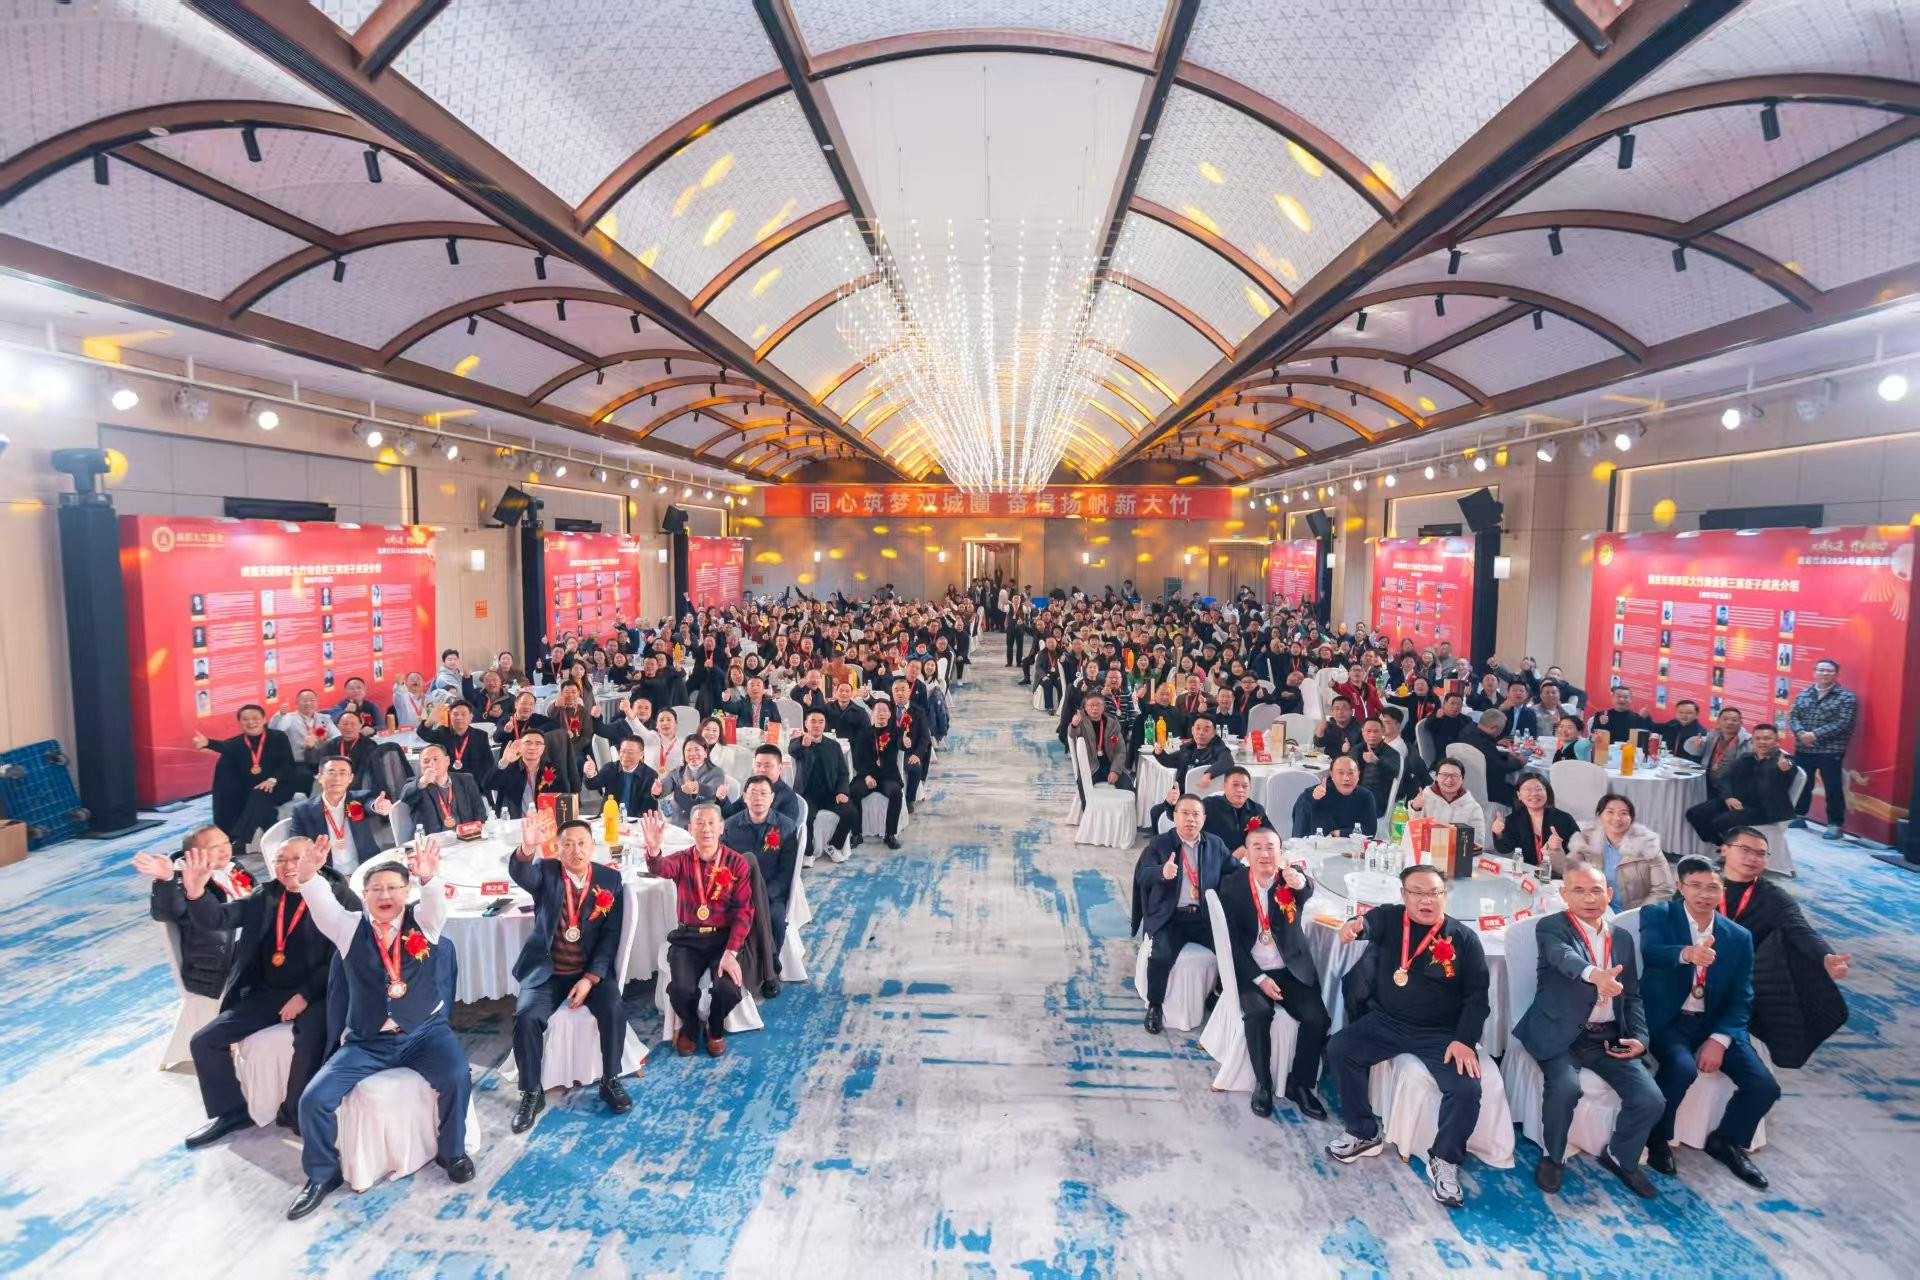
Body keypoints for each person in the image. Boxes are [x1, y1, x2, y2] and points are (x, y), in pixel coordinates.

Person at [285, 837, 473, 1220]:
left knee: (457, 1075)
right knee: (313, 1100)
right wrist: (308, 877)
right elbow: (321, 905)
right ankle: (322, 1175)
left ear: (406, 891)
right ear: (364, 895)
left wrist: (429, 879)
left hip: (424, 1034)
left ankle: (452, 1152)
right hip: (367, 1041)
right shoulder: (347, 927)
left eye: (393, 888)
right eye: (376, 889)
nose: (385, 895)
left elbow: (435, 904)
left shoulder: (424, 923)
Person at [151, 835, 358, 1147]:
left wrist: (304, 995)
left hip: (321, 992)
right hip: (269, 991)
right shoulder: (266, 895)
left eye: (296, 858)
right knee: (205, 1041)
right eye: (280, 860)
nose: (288, 866)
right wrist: (196, 894)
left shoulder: (339, 896)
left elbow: (344, 955)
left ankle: (296, 1112)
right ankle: (232, 1112)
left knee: (310, 1037)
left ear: (316, 860)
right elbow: (218, 919)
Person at [1325, 865, 1489, 1208]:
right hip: (1387, 1021)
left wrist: (1464, 1040)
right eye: (1417, 892)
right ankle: (1363, 1132)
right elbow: (1366, 922)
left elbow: (1477, 998)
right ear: (1404, 895)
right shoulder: (1390, 918)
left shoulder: (1464, 939)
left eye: (1434, 893)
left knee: (1467, 1089)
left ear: (1445, 895)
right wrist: (1354, 925)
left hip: (1440, 1033)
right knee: (1340, 1048)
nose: (1426, 900)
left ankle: (1445, 1159)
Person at [1515, 864, 1665, 1198]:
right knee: (1566, 1089)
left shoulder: (1622, 938)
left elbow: (1633, 996)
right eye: (1579, 891)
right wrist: (1596, 975)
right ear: (1564, 895)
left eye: (1596, 890)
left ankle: (1621, 1156)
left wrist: (1640, 1039)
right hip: (1560, 1034)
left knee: (1651, 1099)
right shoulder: (1551, 927)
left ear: (1608, 894)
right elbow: (1563, 957)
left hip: (1606, 1036)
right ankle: (1553, 1157)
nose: (1589, 898)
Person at [1639, 855, 1779, 1189]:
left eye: (1712, 887)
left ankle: (1727, 1140)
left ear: (1722, 890)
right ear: (1680, 887)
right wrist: (1687, 953)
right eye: (1695, 886)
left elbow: (1742, 996)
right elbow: (1651, 952)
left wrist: (1719, 1039)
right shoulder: (1658, 915)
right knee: (1681, 1068)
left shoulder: (1738, 936)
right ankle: (1657, 1137)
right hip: (1669, 1020)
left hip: (1713, 1022)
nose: (1704, 894)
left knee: (1764, 1086)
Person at [506, 814, 631, 1134]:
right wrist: (527, 848)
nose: (576, 850)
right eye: (568, 844)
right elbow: (521, 872)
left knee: (613, 1007)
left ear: (593, 846)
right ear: (557, 849)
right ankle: (531, 1092)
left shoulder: (610, 879)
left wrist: (590, 979)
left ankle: (610, 1080)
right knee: (526, 1017)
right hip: (548, 972)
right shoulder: (546, 872)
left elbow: (610, 937)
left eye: (582, 843)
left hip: (587, 971)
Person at [1218, 828, 1329, 1120]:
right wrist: (1259, 979)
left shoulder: (1288, 880)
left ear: (1281, 853)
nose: (1264, 853)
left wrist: (1300, 881)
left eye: (1271, 847)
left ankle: (1300, 1085)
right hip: (1252, 971)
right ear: (1247, 853)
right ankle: (1263, 1084)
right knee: (1259, 1014)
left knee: (1318, 1018)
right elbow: (1232, 945)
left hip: (1289, 969)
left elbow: (1305, 889)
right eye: (1257, 847)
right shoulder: (1231, 886)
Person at [1717, 829, 1850, 1068]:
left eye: (1761, 854)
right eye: (1745, 850)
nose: (1752, 858)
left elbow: (1801, 930)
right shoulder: (1701, 883)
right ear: (1725, 850)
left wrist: (1824, 957)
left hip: (1744, 979)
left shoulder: (1773, 897)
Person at [639, 806, 755, 1057]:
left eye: (712, 823)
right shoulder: (682, 859)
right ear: (690, 829)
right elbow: (660, 868)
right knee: (680, 990)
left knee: (728, 989)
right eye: (700, 823)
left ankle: (715, 1027)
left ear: (722, 827)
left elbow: (744, 912)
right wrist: (654, 850)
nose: (706, 829)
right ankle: (691, 1027)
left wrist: (731, 951)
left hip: (722, 939)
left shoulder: (736, 863)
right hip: (688, 939)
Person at [1132, 795, 1234, 1035]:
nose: (1190, 819)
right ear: (1175, 816)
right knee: (1161, 957)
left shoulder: (1215, 845)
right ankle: (1155, 1005)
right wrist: (1162, 872)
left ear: (1204, 819)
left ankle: (1217, 993)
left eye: (1196, 814)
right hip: (1171, 916)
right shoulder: (1160, 844)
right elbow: (1143, 875)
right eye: (1185, 814)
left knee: (1231, 949)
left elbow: (1234, 871)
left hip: (1202, 917)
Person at [137, 824, 249, 1002]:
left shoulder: (232, 867)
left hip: (250, 946)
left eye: (226, 842)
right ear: (192, 854)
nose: (225, 850)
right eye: (214, 847)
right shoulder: (183, 879)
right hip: (221, 967)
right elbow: (166, 912)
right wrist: (166, 879)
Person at [722, 775, 798, 998]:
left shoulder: (785, 827)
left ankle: (766, 966)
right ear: (744, 797)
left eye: (764, 793)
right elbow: (724, 866)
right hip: (738, 894)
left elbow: (786, 872)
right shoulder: (730, 826)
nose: (758, 798)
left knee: (775, 918)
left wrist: (764, 896)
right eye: (753, 793)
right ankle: (769, 965)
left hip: (772, 892)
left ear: (772, 797)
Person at [192, 704, 301, 850]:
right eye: (245, 719)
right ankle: (261, 834)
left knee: (258, 794)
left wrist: (273, 780)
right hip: (256, 789)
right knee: (259, 802)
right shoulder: (238, 742)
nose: (250, 722)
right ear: (240, 722)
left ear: (264, 719)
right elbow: (224, 746)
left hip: (280, 785)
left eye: (255, 718)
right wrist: (207, 743)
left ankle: (240, 839)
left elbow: (286, 764)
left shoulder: (278, 737)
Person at [1684, 723, 1797, 844]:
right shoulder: (1746, 758)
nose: (1762, 742)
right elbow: (1724, 778)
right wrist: (1728, 797)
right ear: (1752, 741)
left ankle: (1729, 847)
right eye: (1758, 738)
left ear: (1777, 741)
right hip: (1738, 801)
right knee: (1694, 814)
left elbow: (1790, 766)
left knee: (1720, 822)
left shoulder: (1781, 761)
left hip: (1764, 809)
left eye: (1767, 738)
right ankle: (1721, 844)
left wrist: (1786, 767)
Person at [1562, 793, 1673, 909]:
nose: (1617, 818)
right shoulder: (1587, 840)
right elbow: (1567, 870)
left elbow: (1663, 890)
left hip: (1636, 913)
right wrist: (1555, 850)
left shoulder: (1648, 845)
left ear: (1631, 818)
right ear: (1599, 815)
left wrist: (1637, 915)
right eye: (1610, 812)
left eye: (1624, 813)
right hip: (1595, 909)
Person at [1787, 658, 1857, 838]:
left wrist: (1815, 735)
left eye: (1829, 671)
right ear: (1814, 672)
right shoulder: (1804, 693)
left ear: (1836, 674)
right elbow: (1793, 717)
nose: (1824, 673)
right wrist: (1800, 733)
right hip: (1804, 747)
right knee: (1803, 783)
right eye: (1821, 670)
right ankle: (1799, 815)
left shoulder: (1846, 697)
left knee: (1833, 788)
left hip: (1831, 750)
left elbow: (1843, 723)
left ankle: (1835, 825)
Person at [290, 757, 392, 872]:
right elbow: (295, 844)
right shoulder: (303, 810)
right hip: (327, 873)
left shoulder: (358, 800)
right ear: (319, 777)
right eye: (331, 773)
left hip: (364, 868)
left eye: (343, 773)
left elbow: (369, 806)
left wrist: (377, 807)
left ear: (351, 778)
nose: (337, 778)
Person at [793, 709, 858, 862]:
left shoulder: (834, 746)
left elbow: (843, 773)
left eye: (821, 722)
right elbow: (793, 750)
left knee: (851, 812)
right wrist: (802, 744)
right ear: (806, 724)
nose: (817, 725)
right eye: (813, 721)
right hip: (808, 794)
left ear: (825, 725)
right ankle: (808, 853)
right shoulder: (800, 743)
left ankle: (834, 845)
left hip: (831, 794)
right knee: (806, 816)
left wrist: (842, 791)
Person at [387, 743, 487, 836]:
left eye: (435, 759)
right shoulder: (418, 784)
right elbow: (405, 797)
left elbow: (480, 813)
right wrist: (423, 782)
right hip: (433, 841)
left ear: (447, 761)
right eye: (426, 761)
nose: (431, 764)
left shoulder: (466, 780)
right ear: (420, 765)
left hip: (466, 837)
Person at [849, 698, 905, 849]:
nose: (881, 713)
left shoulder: (895, 732)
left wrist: (906, 742)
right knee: (853, 791)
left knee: (896, 793)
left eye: (884, 710)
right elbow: (857, 760)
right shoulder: (864, 733)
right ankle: (856, 834)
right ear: (872, 714)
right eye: (878, 710)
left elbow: (903, 744)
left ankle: (890, 834)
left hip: (888, 776)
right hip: (868, 775)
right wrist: (866, 776)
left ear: (889, 714)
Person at [1492, 775, 1577, 867]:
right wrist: (1498, 833)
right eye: (1527, 789)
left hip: (1559, 872)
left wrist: (1560, 848)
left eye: (1539, 789)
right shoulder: (1513, 820)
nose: (1534, 794)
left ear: (1547, 792)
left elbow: (1580, 850)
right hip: (1529, 872)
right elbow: (1505, 849)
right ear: (1519, 795)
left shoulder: (1564, 819)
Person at [1290, 755, 1380, 838]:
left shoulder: (1366, 796)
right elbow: (1298, 837)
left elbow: (1370, 831)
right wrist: (1312, 799)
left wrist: (1338, 833)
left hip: (1352, 847)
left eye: (1351, 773)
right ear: (1332, 775)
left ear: (1358, 775)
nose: (1346, 778)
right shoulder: (1312, 795)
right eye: (1340, 773)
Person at [1406, 759, 1488, 849]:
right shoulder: (1425, 798)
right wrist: (1415, 809)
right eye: (1444, 775)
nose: (1449, 779)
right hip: (1426, 853)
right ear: (1436, 777)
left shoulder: (1473, 807)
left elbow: (1478, 843)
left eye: (1455, 776)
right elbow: (1411, 834)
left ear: (1462, 779)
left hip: (1457, 855)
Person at [417, 699, 497, 788]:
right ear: (450, 716)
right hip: (449, 783)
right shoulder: (443, 732)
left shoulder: (480, 735)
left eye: (463, 714)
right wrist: (429, 722)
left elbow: (488, 763)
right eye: (455, 714)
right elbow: (424, 734)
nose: (459, 717)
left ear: (471, 717)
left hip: (474, 783)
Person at [1067, 692, 1130, 801]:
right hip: (1091, 767)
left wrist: (1115, 770)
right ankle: (1087, 811)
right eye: (1091, 705)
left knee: (1128, 787)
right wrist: (1074, 725)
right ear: (1085, 707)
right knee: (1083, 787)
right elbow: (1072, 734)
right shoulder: (1081, 720)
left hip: (1110, 765)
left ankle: (1120, 812)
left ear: (1103, 706)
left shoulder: (1112, 723)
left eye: (1098, 705)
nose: (1095, 708)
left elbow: (1120, 750)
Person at [1454, 709, 1521, 807]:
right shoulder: (1484, 744)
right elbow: (1499, 768)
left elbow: (1488, 756)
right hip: (1488, 787)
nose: (1499, 733)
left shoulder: (1468, 730)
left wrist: (1501, 749)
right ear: (1493, 728)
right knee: (1521, 792)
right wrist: (1519, 762)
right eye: (1500, 730)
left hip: (1468, 780)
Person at [1202, 767, 1271, 861]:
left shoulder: (1256, 809)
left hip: (1246, 861)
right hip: (1213, 860)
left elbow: (1272, 836)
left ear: (1250, 789)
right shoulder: (1208, 806)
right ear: (1224, 786)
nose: (1240, 790)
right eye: (1235, 785)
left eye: (1245, 786)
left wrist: (1246, 847)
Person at [1350, 716, 1401, 812]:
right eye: (1368, 731)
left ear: (1383, 731)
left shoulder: (1391, 752)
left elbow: (1395, 773)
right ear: (1362, 732)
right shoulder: (1356, 749)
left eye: (1376, 731)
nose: (1372, 735)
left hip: (1376, 801)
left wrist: (1377, 761)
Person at [1378, 707, 1432, 796]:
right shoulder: (1382, 739)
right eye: (1380, 721)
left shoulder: (1396, 749)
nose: (1381, 725)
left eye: (1387, 722)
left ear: (1398, 725)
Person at [1682, 705, 1749, 777]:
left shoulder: (1748, 741)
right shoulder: (1712, 736)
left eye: (1734, 720)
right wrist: (1695, 745)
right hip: (1707, 779)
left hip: (1732, 782)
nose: (1729, 722)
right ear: (1718, 721)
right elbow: (1694, 751)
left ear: (1741, 723)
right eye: (1725, 719)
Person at [1589, 685, 1653, 744]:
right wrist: (1601, 725)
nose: (1621, 699)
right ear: (1612, 698)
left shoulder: (1638, 718)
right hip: (1606, 750)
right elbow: (1592, 737)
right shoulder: (1601, 715)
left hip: (1629, 751)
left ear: (1630, 699)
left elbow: (1650, 732)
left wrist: (1647, 718)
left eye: (1625, 697)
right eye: (1618, 696)